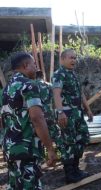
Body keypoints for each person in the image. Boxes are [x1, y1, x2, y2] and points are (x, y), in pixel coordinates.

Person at [1, 52, 56, 189]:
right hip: (27, 149)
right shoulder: (29, 85)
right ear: (26, 65)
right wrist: (50, 148)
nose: (36, 68)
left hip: (10, 147)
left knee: (16, 185)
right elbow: (37, 118)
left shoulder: (6, 89)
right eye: (34, 64)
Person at [52, 49, 93, 183]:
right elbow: (56, 94)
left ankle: (76, 169)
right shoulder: (59, 74)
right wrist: (60, 112)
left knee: (82, 138)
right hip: (67, 114)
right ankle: (69, 174)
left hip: (78, 114)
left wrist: (88, 109)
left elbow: (80, 94)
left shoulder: (73, 74)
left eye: (75, 58)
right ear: (62, 59)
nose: (74, 60)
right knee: (69, 143)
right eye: (71, 58)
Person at [36, 71, 62, 148]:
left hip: (38, 113)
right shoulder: (49, 85)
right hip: (49, 112)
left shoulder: (32, 86)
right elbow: (55, 100)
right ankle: (61, 149)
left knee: (40, 132)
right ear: (43, 76)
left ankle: (44, 153)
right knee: (55, 132)